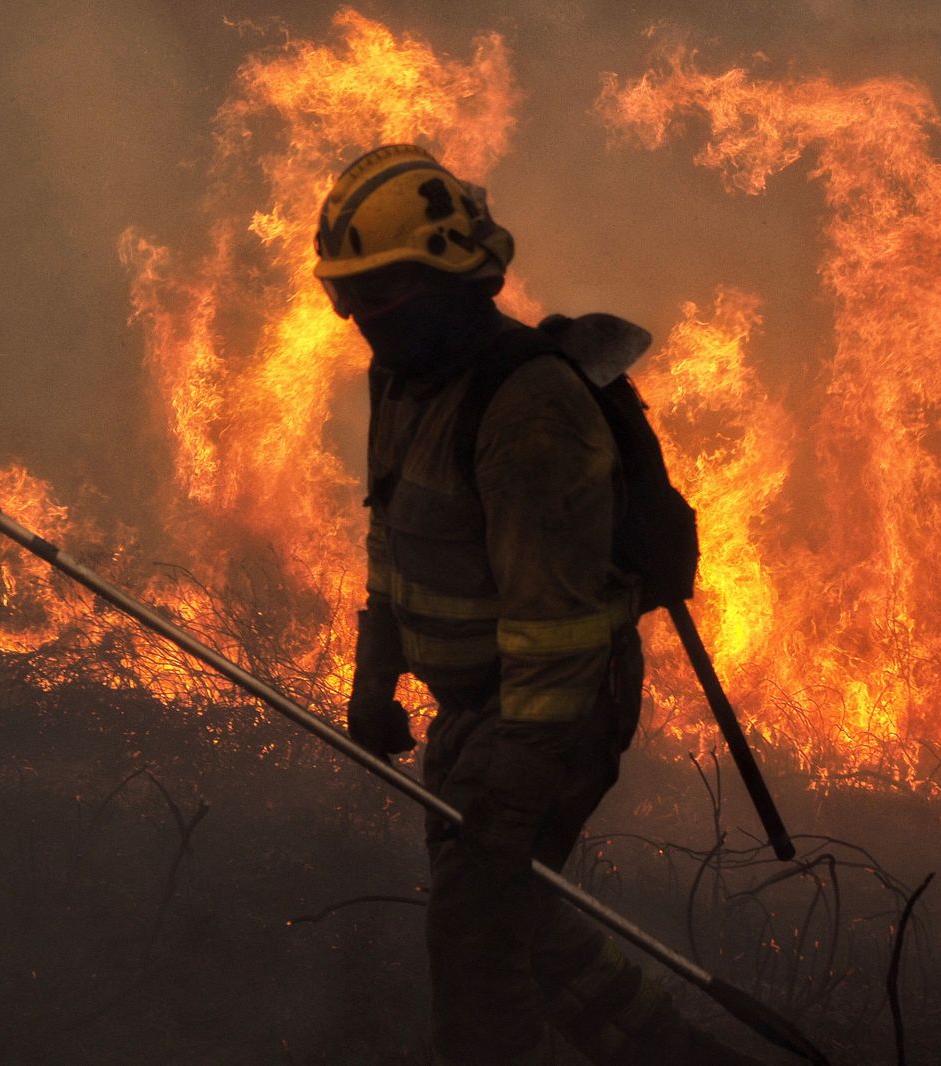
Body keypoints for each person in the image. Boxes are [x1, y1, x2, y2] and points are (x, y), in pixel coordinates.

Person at [314, 145, 765, 1065]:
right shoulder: (402, 380)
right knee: (521, 918)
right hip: (481, 706)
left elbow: (555, 640)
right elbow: (391, 537)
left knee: (476, 951)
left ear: (451, 276)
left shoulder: (530, 413)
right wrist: (375, 674)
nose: (361, 320)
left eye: (381, 293)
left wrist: (512, 801)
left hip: (551, 716)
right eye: (346, 296)